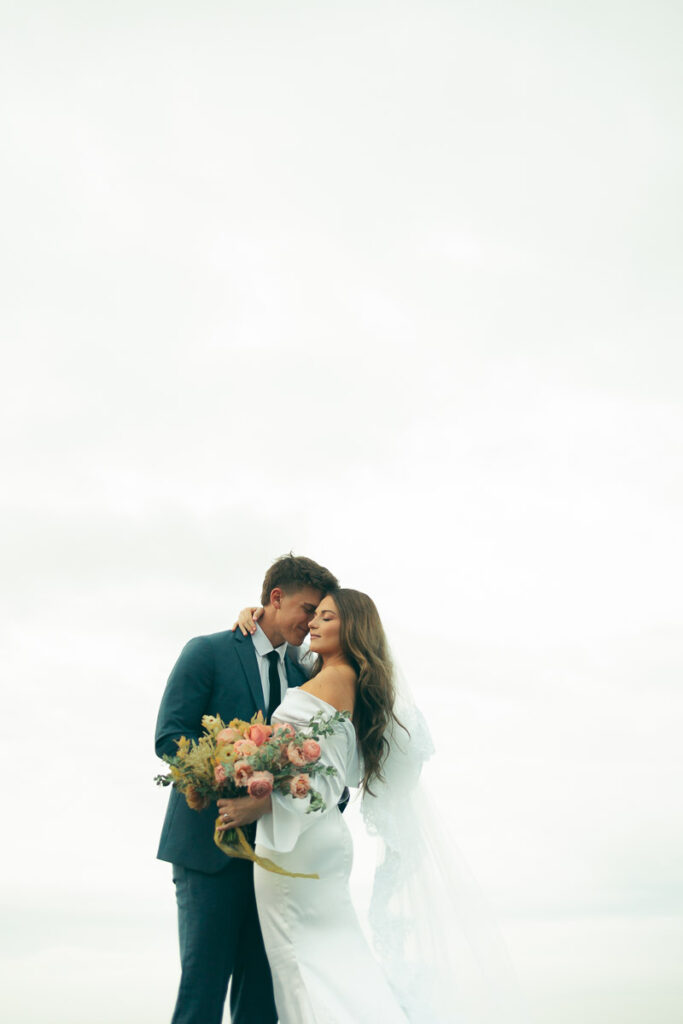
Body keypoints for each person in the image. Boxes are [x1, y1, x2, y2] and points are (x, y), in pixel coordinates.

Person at [155, 553, 339, 1024]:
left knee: (262, 1001)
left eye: (321, 613)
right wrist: (226, 770)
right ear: (275, 599)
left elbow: (326, 766)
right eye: (307, 609)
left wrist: (275, 799)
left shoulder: (307, 679)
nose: (311, 621)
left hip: (277, 861)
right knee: (202, 991)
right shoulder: (208, 651)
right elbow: (170, 736)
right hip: (208, 852)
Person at [216, 588, 413, 1023]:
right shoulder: (348, 678)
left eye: (326, 617)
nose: (313, 625)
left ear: (352, 628)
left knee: (300, 967)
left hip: (295, 840)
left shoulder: (331, 678)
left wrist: (260, 808)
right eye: (314, 615)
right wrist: (256, 616)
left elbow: (320, 780)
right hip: (322, 840)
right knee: (333, 962)